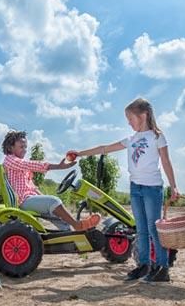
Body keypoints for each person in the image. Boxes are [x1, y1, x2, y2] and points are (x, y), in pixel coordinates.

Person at [68, 98, 179, 282]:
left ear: (143, 115)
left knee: (153, 228)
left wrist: (173, 185)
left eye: (130, 118)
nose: (128, 122)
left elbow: (166, 161)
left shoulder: (157, 137)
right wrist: (79, 153)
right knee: (141, 229)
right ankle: (143, 266)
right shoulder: (131, 139)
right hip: (135, 188)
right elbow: (104, 148)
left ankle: (162, 268)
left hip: (152, 188)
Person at [2, 130, 100, 231]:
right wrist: (58, 166)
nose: (25, 150)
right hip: (23, 201)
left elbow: (31, 187)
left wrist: (43, 197)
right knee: (54, 201)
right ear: (10, 148)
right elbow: (30, 164)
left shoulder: (19, 166)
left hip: (29, 198)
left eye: (25, 147)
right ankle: (77, 225)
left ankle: (69, 235)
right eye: (21, 147)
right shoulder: (10, 160)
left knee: (55, 210)